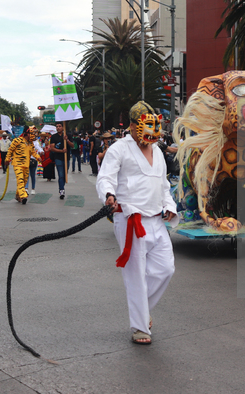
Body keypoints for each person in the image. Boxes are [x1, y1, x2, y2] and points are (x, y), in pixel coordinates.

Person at [96, 100, 178, 345]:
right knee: (135, 276)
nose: (151, 131)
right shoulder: (119, 148)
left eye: (155, 126)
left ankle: (142, 310)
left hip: (156, 220)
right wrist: (109, 194)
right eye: (146, 125)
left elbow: (164, 186)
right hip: (130, 219)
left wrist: (170, 207)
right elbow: (105, 177)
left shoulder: (159, 153)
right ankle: (140, 326)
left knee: (166, 269)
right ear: (133, 126)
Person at [6, 126, 40, 204]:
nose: (33, 135)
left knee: (24, 181)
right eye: (31, 133)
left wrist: (38, 157)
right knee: (20, 180)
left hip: (26, 165)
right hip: (17, 164)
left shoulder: (30, 143)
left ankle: (18, 195)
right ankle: (23, 195)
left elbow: (33, 152)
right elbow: (10, 150)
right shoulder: (17, 140)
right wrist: (7, 159)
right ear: (26, 133)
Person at [49, 123, 74, 199]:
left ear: (63, 127)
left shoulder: (68, 135)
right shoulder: (53, 137)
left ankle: (62, 186)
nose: (58, 128)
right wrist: (61, 151)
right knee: (61, 175)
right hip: (58, 158)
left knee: (65, 175)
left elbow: (72, 145)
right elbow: (52, 148)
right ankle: (61, 190)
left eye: (60, 126)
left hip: (66, 159)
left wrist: (67, 140)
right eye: (57, 126)